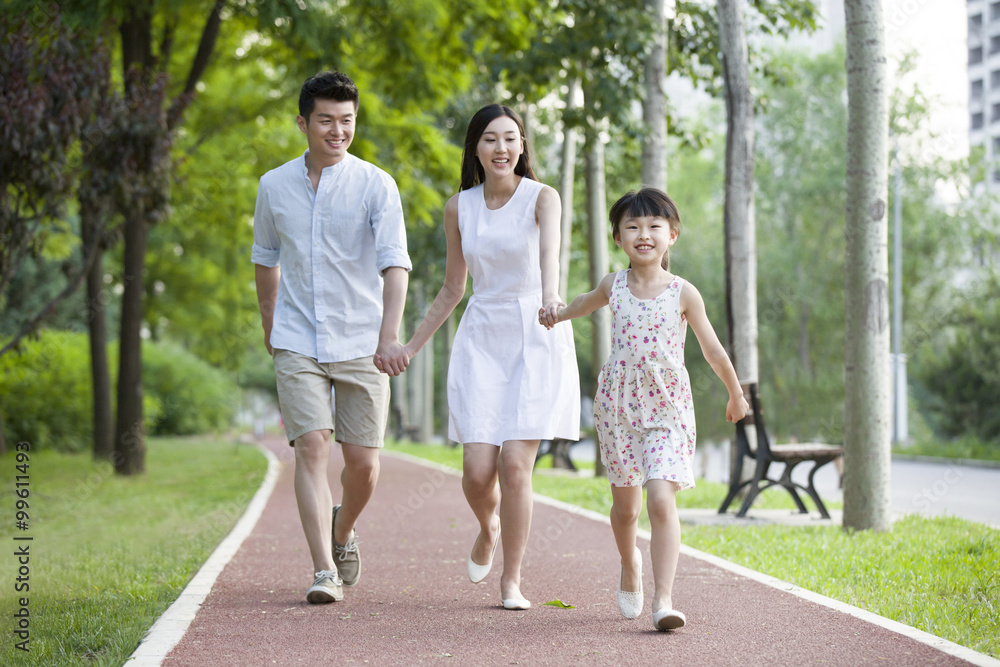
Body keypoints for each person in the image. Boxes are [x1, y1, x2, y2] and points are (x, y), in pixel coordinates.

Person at [384, 104, 580, 610]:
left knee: (516, 466)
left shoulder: (543, 197)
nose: (502, 148)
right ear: (475, 147)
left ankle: (511, 580)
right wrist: (409, 345)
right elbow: (453, 288)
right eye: (490, 139)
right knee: (477, 473)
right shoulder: (459, 207)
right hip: (481, 338)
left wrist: (552, 301)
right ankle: (488, 526)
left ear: (523, 146)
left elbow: (550, 258)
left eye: (511, 139)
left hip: (536, 329)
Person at [539, 187, 749, 630]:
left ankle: (664, 600)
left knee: (659, 499)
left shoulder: (683, 293)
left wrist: (735, 393)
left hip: (668, 410)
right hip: (619, 410)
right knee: (626, 511)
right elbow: (582, 304)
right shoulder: (612, 286)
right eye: (632, 226)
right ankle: (628, 561)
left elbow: (713, 351)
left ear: (672, 234)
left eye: (654, 226)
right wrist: (557, 314)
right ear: (618, 237)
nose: (644, 234)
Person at [252, 71, 411, 604]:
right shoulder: (273, 185)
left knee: (363, 465)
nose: (338, 130)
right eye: (326, 120)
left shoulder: (376, 184)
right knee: (312, 448)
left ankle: (342, 530)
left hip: (363, 340)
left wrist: (390, 335)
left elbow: (395, 264)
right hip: (297, 337)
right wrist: (270, 323)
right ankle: (324, 570)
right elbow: (265, 259)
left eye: (346, 120)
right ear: (303, 122)